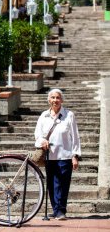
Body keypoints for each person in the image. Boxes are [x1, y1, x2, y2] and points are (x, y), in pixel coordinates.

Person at [34, 88, 81, 220]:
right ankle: (56, 210)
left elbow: (75, 137)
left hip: (65, 155)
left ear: (62, 100)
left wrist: (75, 156)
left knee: (63, 184)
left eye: (58, 98)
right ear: (49, 100)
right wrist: (42, 141)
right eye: (53, 98)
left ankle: (61, 210)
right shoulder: (44, 116)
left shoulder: (69, 115)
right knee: (52, 183)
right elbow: (38, 134)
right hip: (50, 156)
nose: (55, 100)